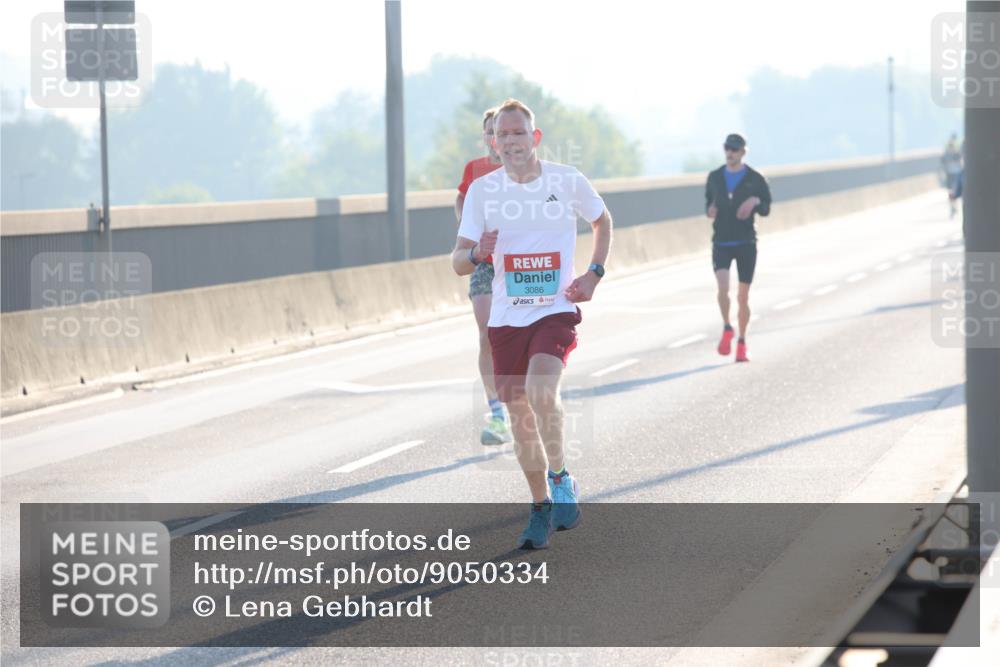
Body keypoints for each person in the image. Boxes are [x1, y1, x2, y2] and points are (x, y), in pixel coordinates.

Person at [451, 98, 613, 549]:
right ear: (493, 142)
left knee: (543, 390)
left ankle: (561, 478)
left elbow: (602, 220)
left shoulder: (566, 180)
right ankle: (540, 505)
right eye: (502, 134)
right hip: (507, 316)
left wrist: (593, 274)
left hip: (555, 308)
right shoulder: (483, 191)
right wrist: (477, 254)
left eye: (518, 132)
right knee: (520, 414)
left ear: (535, 138)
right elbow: (458, 262)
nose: (510, 141)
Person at [456, 108, 510, 445]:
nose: (496, 137)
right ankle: (498, 414)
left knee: (519, 332)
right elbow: (460, 198)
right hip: (484, 261)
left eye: (501, 131)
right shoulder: (475, 170)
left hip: (520, 264)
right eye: (490, 132)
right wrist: (468, 230)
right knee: (487, 332)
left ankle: (525, 398)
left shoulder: (523, 169)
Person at [705, 133, 772, 363]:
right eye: (727, 148)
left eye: (735, 149)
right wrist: (711, 210)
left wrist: (755, 202)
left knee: (743, 297)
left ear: (743, 151)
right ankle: (727, 327)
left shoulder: (755, 178)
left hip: (746, 243)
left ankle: (742, 342)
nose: (730, 153)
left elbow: (766, 208)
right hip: (721, 241)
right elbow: (708, 204)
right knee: (723, 288)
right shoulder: (714, 177)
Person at [941, 134, 963, 219]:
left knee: (954, 191)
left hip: (956, 175)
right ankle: (952, 207)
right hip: (949, 175)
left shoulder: (957, 154)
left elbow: (961, 164)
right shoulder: (946, 155)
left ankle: (954, 207)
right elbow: (942, 164)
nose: (951, 148)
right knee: (950, 192)